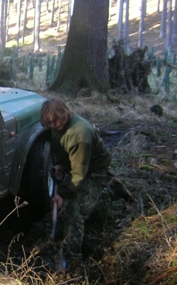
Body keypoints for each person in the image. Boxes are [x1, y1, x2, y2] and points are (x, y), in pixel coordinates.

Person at [40, 97, 129, 268]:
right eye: (49, 123)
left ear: (64, 115)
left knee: (75, 212)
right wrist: (61, 164)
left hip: (95, 172)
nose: (52, 125)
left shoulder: (81, 134)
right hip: (80, 167)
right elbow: (63, 151)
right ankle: (109, 190)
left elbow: (78, 175)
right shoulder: (57, 125)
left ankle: (73, 263)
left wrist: (62, 194)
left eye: (55, 121)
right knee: (79, 205)